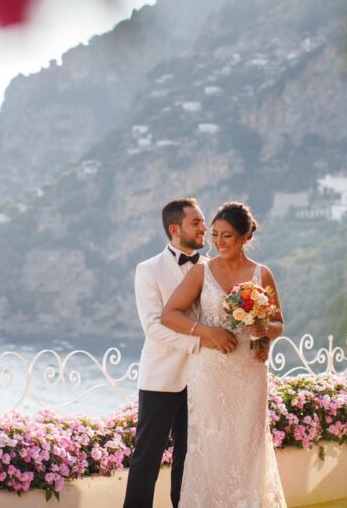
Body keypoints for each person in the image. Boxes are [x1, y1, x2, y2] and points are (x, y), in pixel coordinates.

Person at [161, 201, 287, 507]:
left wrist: (263, 330)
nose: (218, 242)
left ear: (245, 237)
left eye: (227, 235)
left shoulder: (262, 274)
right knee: (211, 443)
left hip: (249, 370)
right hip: (209, 373)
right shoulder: (202, 272)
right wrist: (208, 332)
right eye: (215, 234)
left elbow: (278, 323)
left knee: (246, 444)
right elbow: (169, 315)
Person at [123, 198, 238, 508]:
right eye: (196, 223)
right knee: (147, 459)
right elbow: (153, 328)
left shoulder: (211, 268)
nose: (206, 228)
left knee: (190, 460)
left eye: (203, 222)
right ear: (175, 229)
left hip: (204, 378)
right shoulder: (148, 270)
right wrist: (202, 340)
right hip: (162, 378)